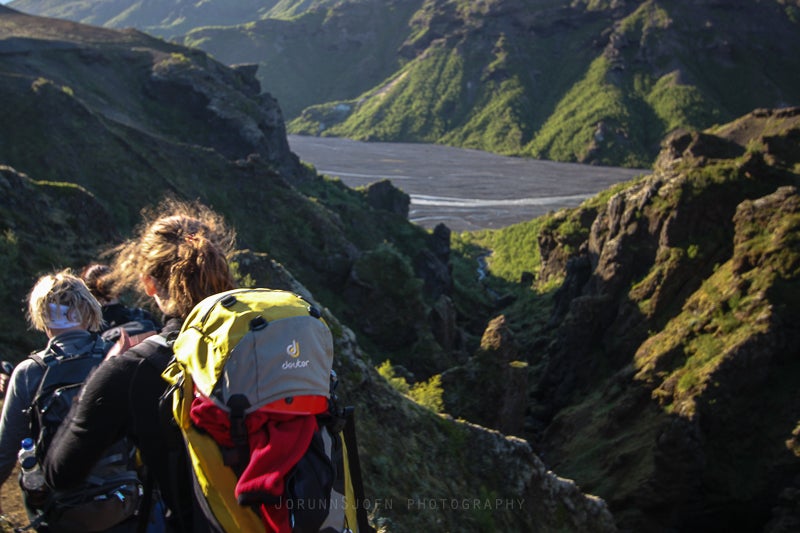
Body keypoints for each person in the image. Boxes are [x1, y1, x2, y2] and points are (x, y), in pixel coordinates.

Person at [43, 199, 237, 532]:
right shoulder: (263, 345)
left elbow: (60, 473)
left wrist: (99, 379)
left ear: (149, 283)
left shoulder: (133, 370)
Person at [0, 270, 108, 526]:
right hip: (122, 502)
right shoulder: (117, 358)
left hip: (58, 509)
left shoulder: (29, 372)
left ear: (42, 316)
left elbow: (5, 453)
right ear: (89, 310)